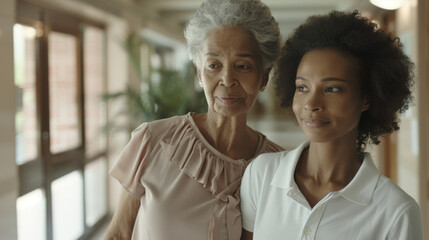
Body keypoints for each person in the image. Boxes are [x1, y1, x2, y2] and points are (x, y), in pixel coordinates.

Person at [103, 0, 282, 239]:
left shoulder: (277, 167)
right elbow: (118, 235)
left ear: (264, 78)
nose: (227, 79)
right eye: (213, 65)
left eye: (242, 65)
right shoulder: (153, 141)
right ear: (199, 74)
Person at [240, 10, 423, 240]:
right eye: (302, 88)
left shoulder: (396, 212)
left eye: (331, 89)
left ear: (366, 98)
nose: (311, 104)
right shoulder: (261, 175)